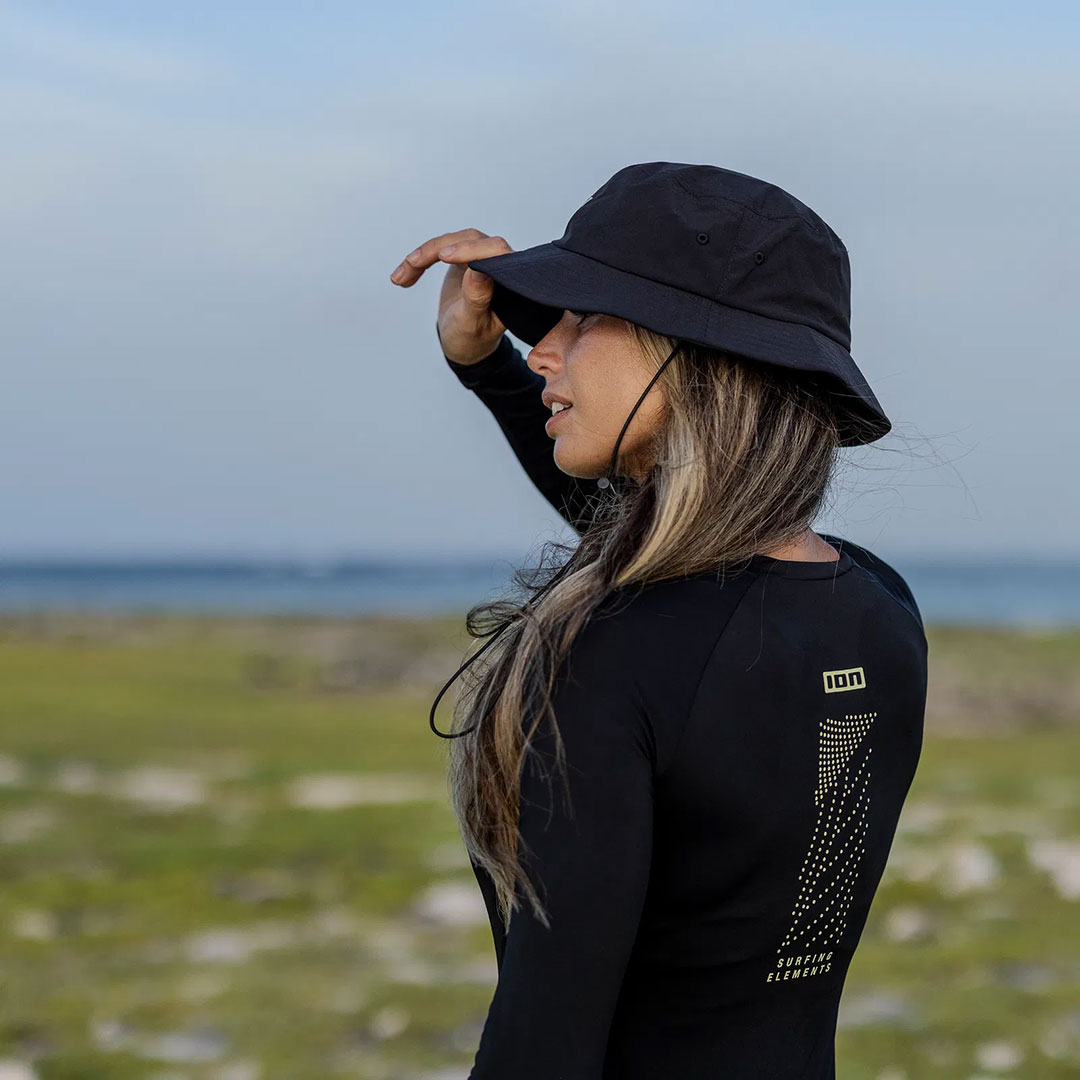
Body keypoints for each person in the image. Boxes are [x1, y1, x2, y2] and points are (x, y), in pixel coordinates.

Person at [390, 162, 928, 1080]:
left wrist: (496, 372)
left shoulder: (609, 653)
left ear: (698, 353)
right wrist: (493, 368)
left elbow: (545, 1045)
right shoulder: (877, 605)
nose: (542, 351)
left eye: (581, 318)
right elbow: (677, 558)